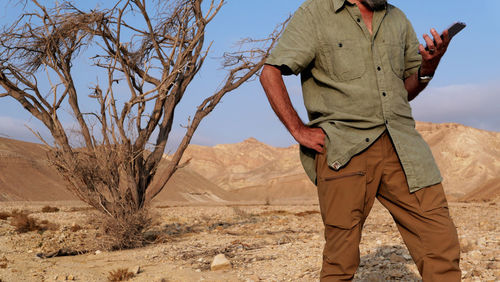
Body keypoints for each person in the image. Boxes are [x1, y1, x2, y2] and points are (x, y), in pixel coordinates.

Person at [259, 0, 461, 281]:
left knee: (441, 245)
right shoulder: (315, 13)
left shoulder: (397, 18)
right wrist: (298, 129)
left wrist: (430, 64)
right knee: (340, 262)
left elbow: (406, 89)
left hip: (403, 146)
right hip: (345, 149)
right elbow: (270, 72)